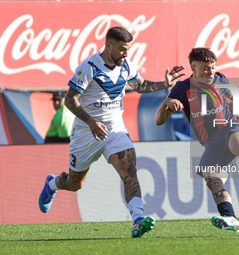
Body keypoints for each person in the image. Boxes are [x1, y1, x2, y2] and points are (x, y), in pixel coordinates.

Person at [38, 26, 185, 238]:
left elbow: (140, 85)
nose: (126, 54)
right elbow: (70, 99)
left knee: (130, 170)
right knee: (74, 183)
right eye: (123, 49)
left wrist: (164, 84)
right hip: (86, 133)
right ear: (108, 45)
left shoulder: (126, 66)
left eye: (128, 49)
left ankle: (137, 220)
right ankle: (52, 184)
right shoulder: (89, 67)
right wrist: (90, 122)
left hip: (115, 129)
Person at [154, 47, 239, 233]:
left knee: (237, 145)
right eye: (206, 68)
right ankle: (230, 217)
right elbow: (159, 121)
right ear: (193, 68)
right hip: (212, 142)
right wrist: (167, 103)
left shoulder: (221, 78)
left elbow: (228, 95)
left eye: (213, 67)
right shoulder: (182, 88)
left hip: (234, 128)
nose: (211, 72)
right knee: (212, 178)